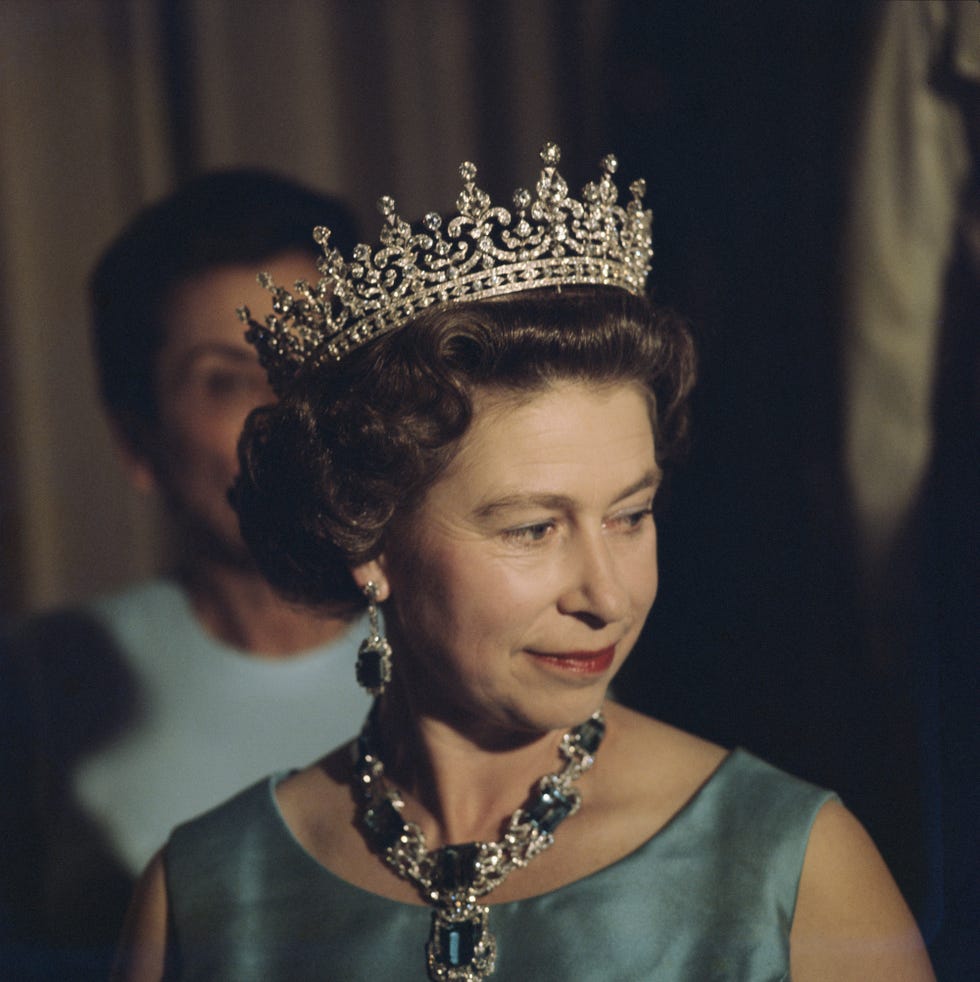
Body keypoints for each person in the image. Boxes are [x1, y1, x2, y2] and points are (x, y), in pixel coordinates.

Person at [114, 146, 934, 981]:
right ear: (367, 538)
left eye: (631, 516)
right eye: (533, 528)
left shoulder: (791, 869)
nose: (607, 596)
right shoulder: (205, 897)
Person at [0, 171, 373, 980]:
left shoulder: (484, 644)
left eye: (316, 359)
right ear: (138, 441)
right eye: (229, 378)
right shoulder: (39, 684)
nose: (287, 410)